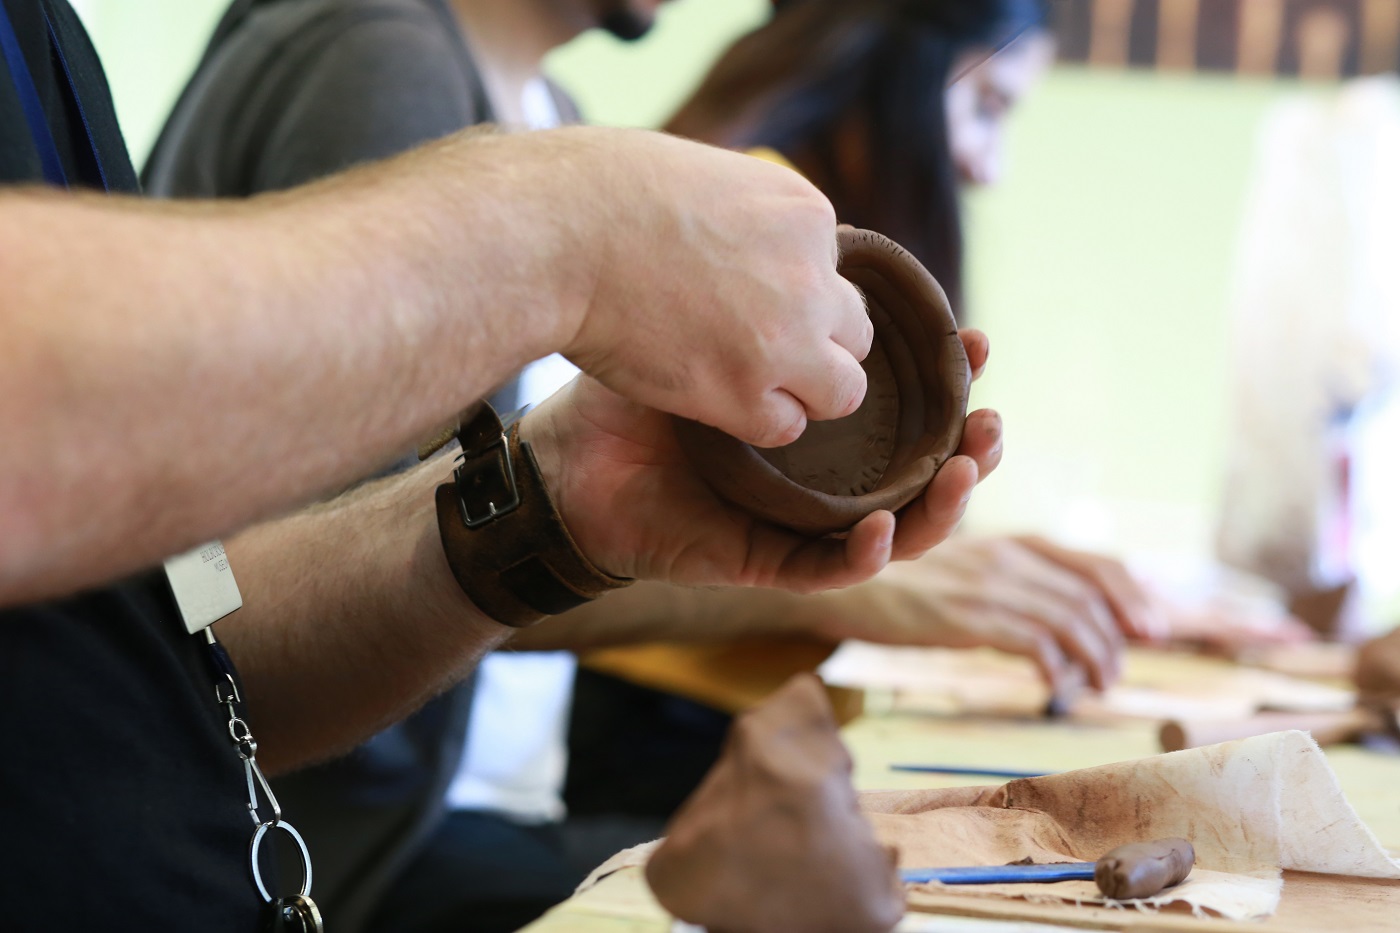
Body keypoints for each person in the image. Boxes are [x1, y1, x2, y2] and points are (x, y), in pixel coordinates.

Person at [0, 0, 1001, 927]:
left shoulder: (44, 46)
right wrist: (558, 233)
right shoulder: (379, 58)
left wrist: (547, 509)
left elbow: (187, 637)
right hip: (380, 860)